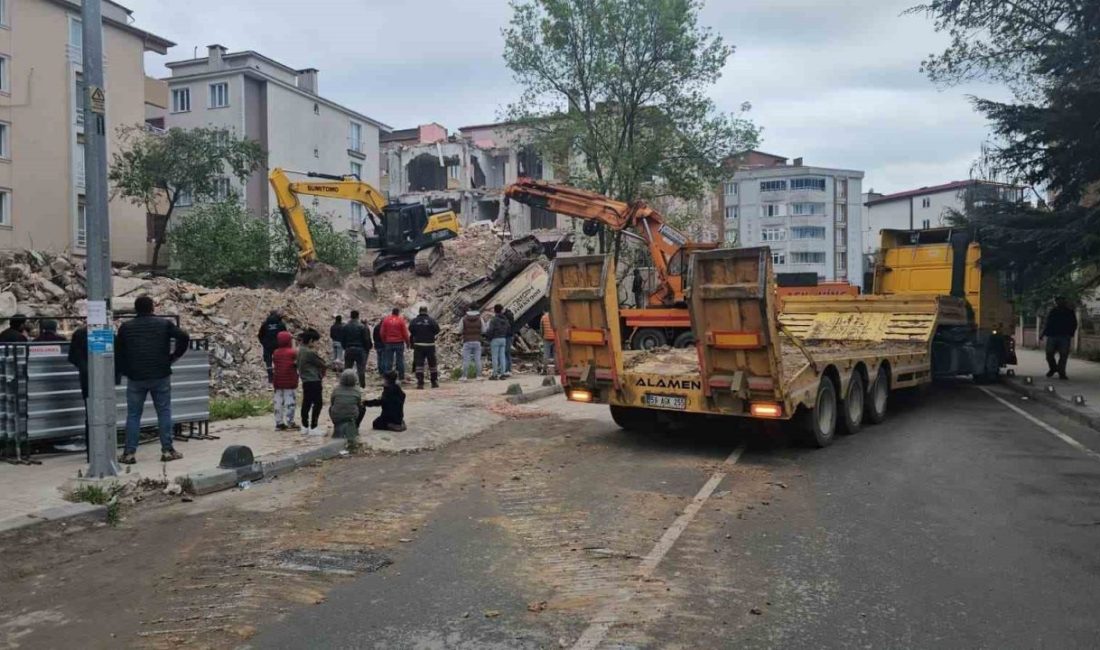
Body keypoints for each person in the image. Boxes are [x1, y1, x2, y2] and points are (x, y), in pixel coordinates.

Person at [114, 296, 190, 464]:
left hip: (136, 377)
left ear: (135, 309)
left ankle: (129, 453)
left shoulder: (126, 328)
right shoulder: (164, 324)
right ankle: (168, 450)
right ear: (152, 308)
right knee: (164, 412)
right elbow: (184, 336)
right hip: (160, 375)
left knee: (133, 415)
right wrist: (174, 356)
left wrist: (125, 370)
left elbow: (118, 352)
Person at [297, 328, 328, 436]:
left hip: (306, 381)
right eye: (316, 342)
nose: (317, 344)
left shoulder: (300, 350)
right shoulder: (310, 353)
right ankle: (313, 427)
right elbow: (322, 363)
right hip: (313, 380)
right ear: (311, 341)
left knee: (306, 403)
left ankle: (304, 426)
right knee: (318, 403)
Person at [1041, 296, 1078, 380]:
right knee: (1049, 354)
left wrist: (1070, 333)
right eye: (1058, 301)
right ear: (1056, 302)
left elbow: (1074, 324)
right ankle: (1053, 368)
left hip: (1064, 336)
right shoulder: (1053, 312)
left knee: (1063, 355)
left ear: (1065, 302)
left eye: (1062, 301)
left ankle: (1062, 373)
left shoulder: (1069, 312)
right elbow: (1047, 323)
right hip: (1052, 335)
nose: (1060, 303)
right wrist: (1042, 334)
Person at [270, 331, 298, 431]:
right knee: (290, 402)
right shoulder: (292, 352)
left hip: (277, 380)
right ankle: (290, 422)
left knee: (278, 402)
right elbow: (297, 362)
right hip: (290, 381)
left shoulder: (276, 352)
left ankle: (279, 423)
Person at [408, 306, 441, 389]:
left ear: (419, 312)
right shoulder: (432, 321)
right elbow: (437, 330)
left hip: (418, 345)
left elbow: (410, 329)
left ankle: (420, 383)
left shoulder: (414, 321)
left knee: (419, 364)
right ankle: (434, 382)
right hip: (430, 345)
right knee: (432, 364)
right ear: (427, 311)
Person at [329, 369, 363, 447]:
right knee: (362, 408)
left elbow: (332, 402)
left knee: (330, 408)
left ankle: (336, 424)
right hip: (351, 416)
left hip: (337, 416)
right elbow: (358, 404)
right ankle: (356, 425)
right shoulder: (357, 391)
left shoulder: (336, 390)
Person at [340, 310, 372, 388]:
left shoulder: (345, 327)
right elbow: (366, 339)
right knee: (361, 369)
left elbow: (342, 339)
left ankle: (345, 384)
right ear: (358, 316)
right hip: (360, 349)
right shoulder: (362, 327)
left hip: (349, 348)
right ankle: (362, 386)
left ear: (350, 316)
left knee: (347, 368)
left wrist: (345, 347)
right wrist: (367, 349)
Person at [380, 307, 411, 382]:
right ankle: (401, 377)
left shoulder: (386, 320)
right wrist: (407, 342)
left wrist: (384, 341)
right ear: (398, 313)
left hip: (389, 343)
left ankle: (387, 378)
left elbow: (382, 332)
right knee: (400, 360)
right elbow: (405, 333)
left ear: (392, 312)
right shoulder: (401, 320)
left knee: (388, 361)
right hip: (399, 343)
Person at [257, 310, 287, 383]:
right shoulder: (281, 324)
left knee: (268, 362)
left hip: (267, 346)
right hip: (278, 346)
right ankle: (279, 377)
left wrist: (263, 343)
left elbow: (260, 335)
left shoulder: (265, 324)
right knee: (279, 361)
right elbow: (285, 335)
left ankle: (270, 378)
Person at [486, 304, 511, 380]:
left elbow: (490, 330)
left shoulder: (493, 320)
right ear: (501, 310)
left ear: (495, 310)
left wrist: (489, 338)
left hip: (495, 339)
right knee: (502, 356)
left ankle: (495, 374)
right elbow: (508, 328)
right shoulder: (505, 319)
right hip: (503, 339)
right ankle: (503, 374)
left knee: (495, 357)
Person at [460, 309, 484, 381]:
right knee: (478, 359)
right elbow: (484, 330)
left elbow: (459, 330)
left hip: (467, 341)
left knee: (466, 360)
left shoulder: (463, 319)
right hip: (477, 341)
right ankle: (479, 376)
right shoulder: (480, 319)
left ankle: (464, 376)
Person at [503, 308, 516, 375]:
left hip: (506, 336)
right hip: (510, 336)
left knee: (505, 353)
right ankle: (509, 369)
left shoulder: (506, 317)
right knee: (508, 353)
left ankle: (506, 369)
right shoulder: (511, 316)